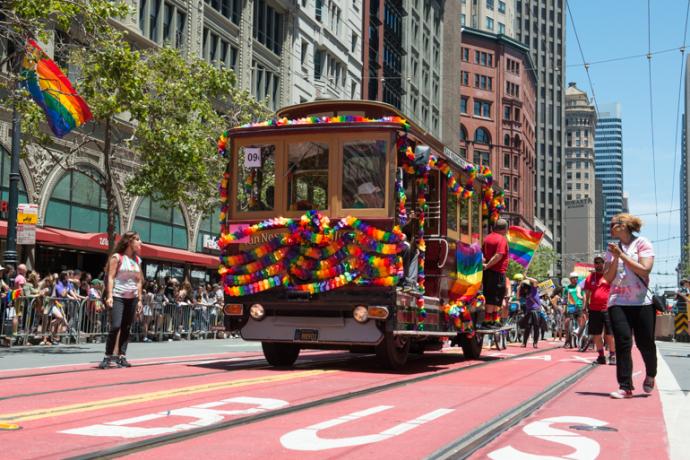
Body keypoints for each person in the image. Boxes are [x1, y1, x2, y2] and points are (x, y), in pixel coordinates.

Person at [603, 213, 657, 399]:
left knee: (645, 343)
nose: (610, 227)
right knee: (623, 342)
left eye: (613, 224)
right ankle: (625, 386)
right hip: (617, 301)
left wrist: (622, 256)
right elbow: (608, 278)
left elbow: (645, 269)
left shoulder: (642, 243)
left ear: (624, 225)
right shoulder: (611, 249)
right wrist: (616, 257)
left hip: (641, 302)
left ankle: (651, 374)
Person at [100, 231, 143, 369]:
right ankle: (107, 356)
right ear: (129, 241)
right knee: (116, 326)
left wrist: (140, 300)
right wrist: (110, 295)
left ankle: (121, 356)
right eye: (137, 240)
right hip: (118, 296)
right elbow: (111, 277)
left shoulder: (137, 260)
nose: (140, 242)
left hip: (132, 297)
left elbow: (139, 281)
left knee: (127, 327)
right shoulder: (117, 257)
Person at [583, 255, 616, 365]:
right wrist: (585, 306)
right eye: (596, 262)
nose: (598, 264)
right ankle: (601, 356)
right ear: (594, 264)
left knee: (610, 334)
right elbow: (587, 293)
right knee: (596, 334)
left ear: (603, 264)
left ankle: (612, 355)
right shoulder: (590, 277)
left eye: (600, 262)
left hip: (607, 308)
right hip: (594, 309)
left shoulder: (608, 276)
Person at [481, 218, 509, 328]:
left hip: (487, 273)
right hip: (497, 272)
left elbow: (482, 253)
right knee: (496, 297)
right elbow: (499, 255)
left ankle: (491, 320)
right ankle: (491, 321)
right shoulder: (502, 239)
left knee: (489, 296)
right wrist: (488, 265)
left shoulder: (487, 238)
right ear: (504, 229)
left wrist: (485, 265)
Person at [518, 277, 541, 348]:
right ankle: (524, 343)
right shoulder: (525, 291)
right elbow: (518, 297)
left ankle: (535, 343)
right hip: (529, 310)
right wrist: (520, 285)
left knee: (536, 326)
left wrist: (526, 277)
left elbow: (535, 281)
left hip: (536, 310)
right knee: (527, 327)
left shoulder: (534, 288)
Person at [563, 272, 584, 347]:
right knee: (566, 322)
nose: (575, 279)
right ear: (570, 279)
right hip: (570, 307)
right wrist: (564, 309)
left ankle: (582, 340)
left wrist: (584, 306)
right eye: (574, 278)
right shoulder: (567, 288)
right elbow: (564, 299)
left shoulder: (580, 287)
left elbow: (583, 296)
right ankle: (567, 341)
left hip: (579, 306)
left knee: (581, 323)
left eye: (576, 278)